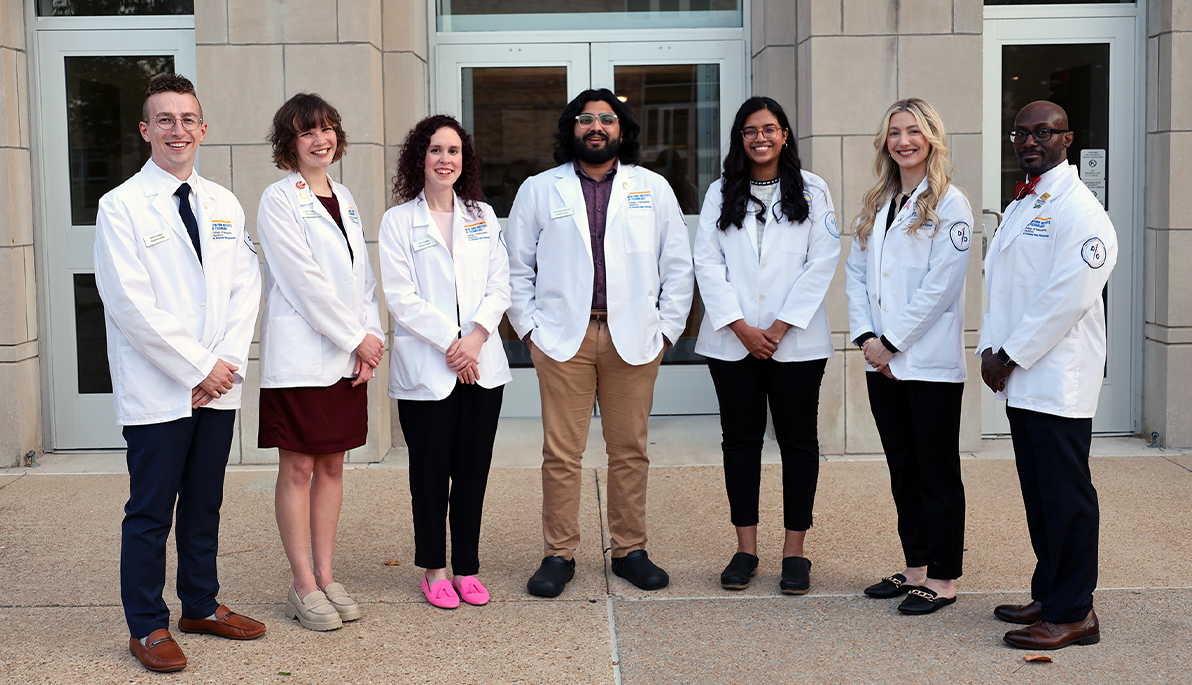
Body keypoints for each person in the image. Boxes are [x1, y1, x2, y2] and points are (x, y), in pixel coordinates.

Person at [94, 73, 264, 674]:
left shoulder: (223, 203)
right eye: (164, 119)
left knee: (204, 503)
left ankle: (200, 605)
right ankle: (146, 625)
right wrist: (197, 367)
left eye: (187, 119)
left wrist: (222, 367)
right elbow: (129, 304)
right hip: (158, 386)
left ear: (203, 128)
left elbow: (246, 287)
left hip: (216, 384)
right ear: (146, 131)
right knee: (150, 510)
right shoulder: (120, 207)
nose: (177, 129)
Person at [506, 88, 695, 597]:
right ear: (571, 129)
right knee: (561, 453)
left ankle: (630, 550)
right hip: (563, 337)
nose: (596, 127)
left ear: (622, 129)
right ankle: (558, 554)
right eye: (585, 119)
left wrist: (666, 332)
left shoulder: (651, 188)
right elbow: (515, 267)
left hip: (632, 337)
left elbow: (678, 266)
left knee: (629, 450)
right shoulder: (539, 189)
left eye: (606, 120)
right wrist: (530, 330)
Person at [979, 100, 1116, 649]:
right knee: (1039, 495)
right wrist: (995, 349)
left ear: (1068, 138)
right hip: (1023, 376)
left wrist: (1008, 353)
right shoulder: (1024, 200)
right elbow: (1005, 286)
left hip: (1058, 377)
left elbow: (1068, 296)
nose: (1029, 140)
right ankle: (1050, 590)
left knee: (1067, 499)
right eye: (1021, 132)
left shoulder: (1081, 210)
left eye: (1043, 131)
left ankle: (1075, 611)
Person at [694, 96, 840, 595]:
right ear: (740, 138)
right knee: (740, 442)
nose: (761, 137)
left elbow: (822, 261)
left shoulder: (813, 190)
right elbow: (706, 263)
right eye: (750, 130)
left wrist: (778, 328)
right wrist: (739, 326)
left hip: (796, 342)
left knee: (799, 443)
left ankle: (794, 552)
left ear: (784, 135)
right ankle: (746, 548)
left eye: (770, 129)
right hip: (733, 342)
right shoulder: (720, 191)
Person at [256, 93, 385, 631]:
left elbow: (364, 278)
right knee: (300, 467)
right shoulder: (278, 199)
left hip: (349, 355)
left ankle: (328, 575)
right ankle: (302, 584)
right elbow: (303, 282)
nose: (320, 139)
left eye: (328, 128)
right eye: (308, 131)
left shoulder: (346, 197)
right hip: (304, 356)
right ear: (290, 142)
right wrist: (358, 337)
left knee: (333, 465)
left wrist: (372, 337)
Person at [844, 98, 973, 615]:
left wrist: (891, 341)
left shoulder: (951, 203)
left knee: (936, 473)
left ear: (932, 139)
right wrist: (866, 337)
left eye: (913, 131)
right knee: (903, 469)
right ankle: (915, 568)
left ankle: (943, 579)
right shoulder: (878, 202)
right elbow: (856, 274)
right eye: (895, 132)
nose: (903, 141)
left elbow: (940, 287)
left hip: (928, 364)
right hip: (883, 362)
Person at [379, 115, 511, 609]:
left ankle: (468, 568)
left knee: (473, 472)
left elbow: (502, 284)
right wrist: (454, 343)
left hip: (482, 366)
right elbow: (401, 297)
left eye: (453, 151)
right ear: (420, 158)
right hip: (429, 369)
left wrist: (476, 338)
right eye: (435, 150)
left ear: (464, 160)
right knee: (430, 475)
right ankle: (435, 569)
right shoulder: (398, 221)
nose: (445, 159)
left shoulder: (482, 214)